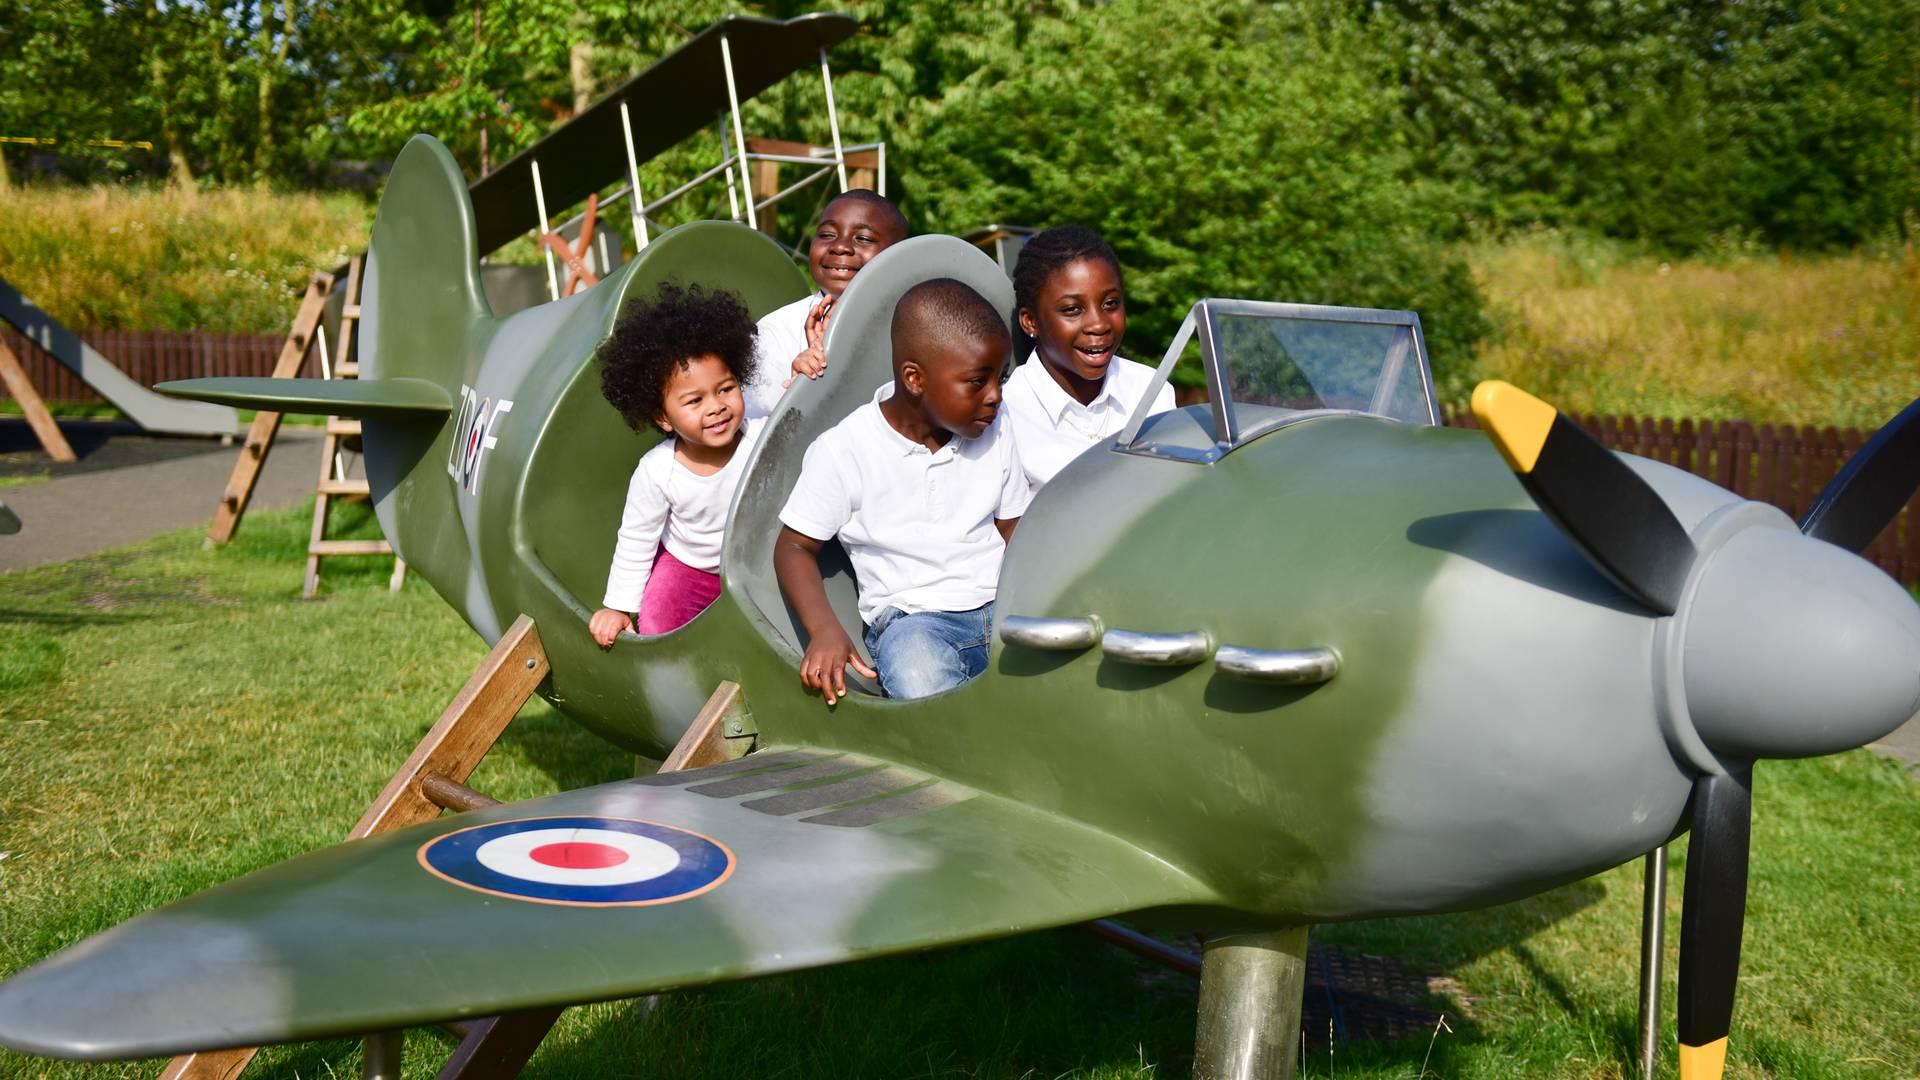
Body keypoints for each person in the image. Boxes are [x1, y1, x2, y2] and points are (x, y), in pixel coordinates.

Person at [773, 279, 1030, 703]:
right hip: (916, 622)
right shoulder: (846, 450)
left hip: (1004, 604)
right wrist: (824, 629)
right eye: (977, 381)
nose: (995, 397)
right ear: (914, 378)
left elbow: (1013, 527)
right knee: (917, 672)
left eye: (1001, 378)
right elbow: (793, 547)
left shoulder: (996, 429)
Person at [590, 283, 766, 645]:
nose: (716, 407)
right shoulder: (658, 471)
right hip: (691, 567)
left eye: (726, 389)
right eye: (695, 401)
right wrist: (618, 607)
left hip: (760, 564)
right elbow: (637, 538)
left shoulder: (764, 436)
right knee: (657, 620)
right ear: (663, 417)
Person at [1001, 224, 1176, 489]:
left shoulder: (1151, 390)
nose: (1099, 324)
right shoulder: (1006, 414)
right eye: (1072, 309)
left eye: (1110, 304)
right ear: (1030, 321)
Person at [743, 189, 910, 416]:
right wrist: (805, 388)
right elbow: (757, 423)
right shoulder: (776, 331)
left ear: (898, 255)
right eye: (827, 235)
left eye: (863, 239)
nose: (840, 247)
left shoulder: (917, 325)